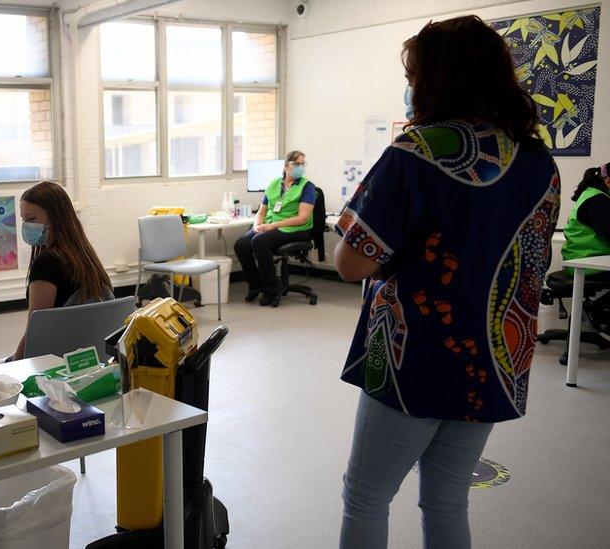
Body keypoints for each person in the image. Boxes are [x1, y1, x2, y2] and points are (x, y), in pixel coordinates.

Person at [332, 16, 559, 549]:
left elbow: (350, 263)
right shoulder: (537, 161)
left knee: (366, 496)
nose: (410, 87)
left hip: (417, 358)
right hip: (493, 362)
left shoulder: (416, 152)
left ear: (437, 78)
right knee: (447, 499)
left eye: (414, 74)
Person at [13, 181, 113, 360]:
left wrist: (12, 364)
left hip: (53, 363)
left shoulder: (46, 264)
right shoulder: (86, 258)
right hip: (91, 360)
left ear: (56, 218)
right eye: (23, 220)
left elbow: (35, 332)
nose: (26, 226)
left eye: (32, 219)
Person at [234, 150, 316, 306]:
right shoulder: (273, 184)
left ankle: (271, 289)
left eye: (303, 164)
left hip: (296, 228)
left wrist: (272, 226)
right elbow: (261, 211)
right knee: (241, 245)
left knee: (259, 241)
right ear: (286, 166)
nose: (301, 167)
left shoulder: (307, 187)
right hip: (272, 225)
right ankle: (255, 286)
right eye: (297, 163)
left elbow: (302, 217)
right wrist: (257, 225)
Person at [562, 162, 610, 277]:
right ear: (608, 182)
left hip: (580, 262)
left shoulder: (590, 194)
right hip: (589, 265)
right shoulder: (598, 200)